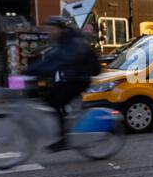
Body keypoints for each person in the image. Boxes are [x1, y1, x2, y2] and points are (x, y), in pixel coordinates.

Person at [27, 16, 101, 151]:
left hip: (80, 79)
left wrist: (38, 71)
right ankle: (65, 126)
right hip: (70, 78)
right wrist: (30, 70)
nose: (49, 32)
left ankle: (64, 137)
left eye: (52, 29)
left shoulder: (73, 42)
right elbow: (50, 58)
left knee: (55, 100)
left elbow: (60, 61)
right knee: (50, 98)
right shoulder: (62, 41)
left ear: (61, 29)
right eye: (48, 29)